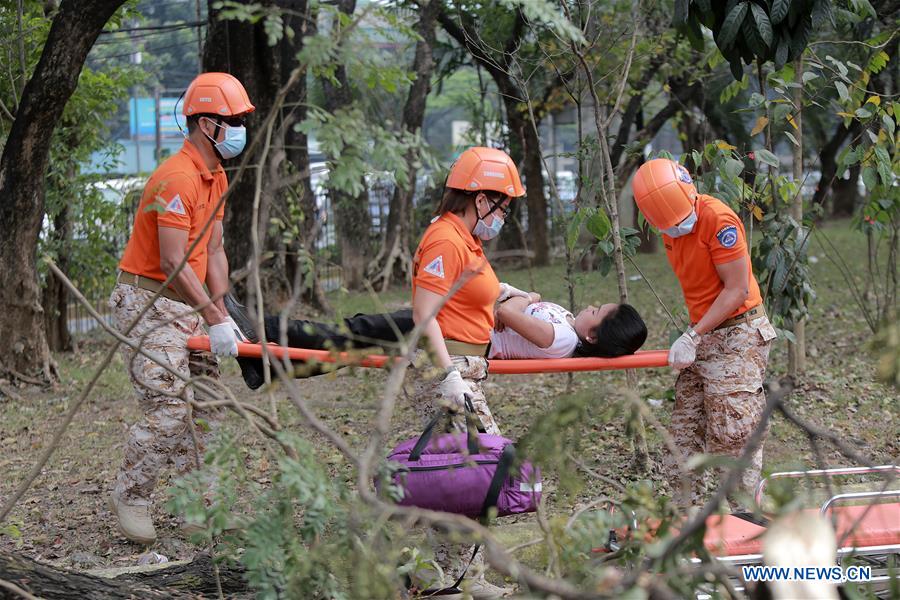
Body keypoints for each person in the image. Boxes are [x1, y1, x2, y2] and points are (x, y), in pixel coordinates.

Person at [108, 72, 255, 544]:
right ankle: (132, 495)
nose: (239, 130)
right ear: (208, 123)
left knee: (209, 404)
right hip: (148, 301)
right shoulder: (177, 177)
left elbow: (212, 251)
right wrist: (212, 317)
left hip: (187, 303)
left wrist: (224, 311)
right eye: (233, 121)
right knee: (169, 409)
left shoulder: (215, 178)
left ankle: (201, 508)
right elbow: (172, 260)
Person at [631, 158, 777, 508]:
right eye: (669, 225)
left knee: (733, 434)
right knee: (683, 435)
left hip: (739, 333)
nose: (677, 228)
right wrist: (696, 335)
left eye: (680, 220)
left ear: (690, 192)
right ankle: (691, 517)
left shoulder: (719, 220)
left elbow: (736, 289)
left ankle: (748, 519)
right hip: (704, 334)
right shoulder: (668, 227)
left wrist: (693, 335)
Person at [225, 294, 648, 389]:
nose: (590, 306)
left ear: (594, 334)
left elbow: (504, 309)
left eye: (598, 311)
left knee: (352, 335)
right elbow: (516, 303)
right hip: (449, 322)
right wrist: (521, 299)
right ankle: (264, 364)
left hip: (450, 334)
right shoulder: (567, 325)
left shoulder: (558, 338)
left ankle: (261, 331)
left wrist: (518, 298)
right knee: (353, 342)